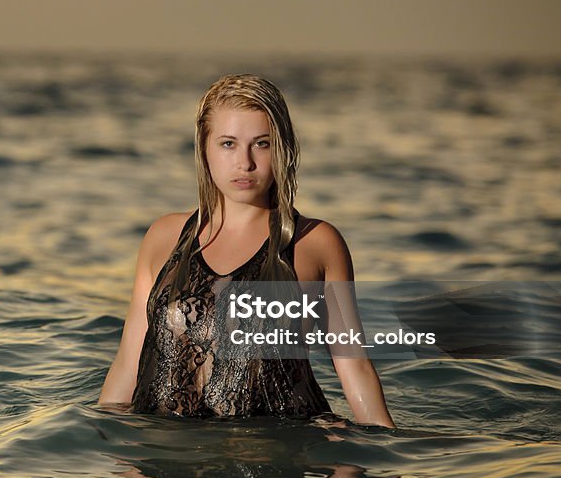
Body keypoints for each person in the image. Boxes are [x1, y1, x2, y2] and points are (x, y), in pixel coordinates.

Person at [98, 74, 395, 427]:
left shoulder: (315, 244)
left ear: (282, 149)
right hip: (165, 456)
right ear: (205, 149)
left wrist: (383, 453)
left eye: (262, 144)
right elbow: (128, 363)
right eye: (228, 144)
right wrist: (105, 450)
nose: (245, 162)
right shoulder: (163, 238)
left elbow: (354, 365)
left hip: (273, 454)